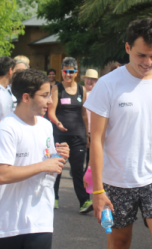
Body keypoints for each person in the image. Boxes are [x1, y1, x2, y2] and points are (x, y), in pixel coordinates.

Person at [85, 18, 152, 249]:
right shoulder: (107, 84)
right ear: (127, 48)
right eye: (141, 55)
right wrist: (97, 189)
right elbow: (96, 139)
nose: (148, 62)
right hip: (117, 180)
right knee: (120, 243)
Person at [0, 69, 70, 249]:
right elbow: (2, 175)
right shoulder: (6, 128)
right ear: (26, 97)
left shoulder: (46, 126)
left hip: (41, 220)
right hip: (8, 223)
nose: (50, 101)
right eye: (45, 95)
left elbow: (47, 166)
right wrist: (42, 165)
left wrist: (59, 157)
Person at [48, 57, 91, 213]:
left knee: (78, 170)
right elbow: (51, 112)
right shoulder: (56, 89)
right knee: (57, 168)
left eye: (71, 72)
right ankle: (54, 198)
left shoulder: (82, 90)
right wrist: (57, 122)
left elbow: (84, 114)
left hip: (78, 136)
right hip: (60, 136)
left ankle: (84, 202)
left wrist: (87, 136)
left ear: (76, 73)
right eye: (65, 71)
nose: (67, 75)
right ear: (62, 72)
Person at [83, 69, 99, 170]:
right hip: (81, 128)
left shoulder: (99, 94)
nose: (89, 81)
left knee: (91, 156)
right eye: (88, 78)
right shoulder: (80, 92)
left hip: (94, 130)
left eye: (92, 79)